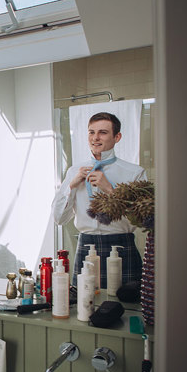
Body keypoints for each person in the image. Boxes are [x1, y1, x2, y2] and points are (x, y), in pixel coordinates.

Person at [52, 112, 147, 287]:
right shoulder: (74, 171)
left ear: (117, 137)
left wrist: (110, 189)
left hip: (122, 247)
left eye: (102, 132)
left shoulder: (135, 173)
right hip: (86, 247)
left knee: (127, 307)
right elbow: (59, 218)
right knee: (83, 308)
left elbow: (143, 221)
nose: (95, 138)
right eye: (91, 132)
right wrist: (71, 187)